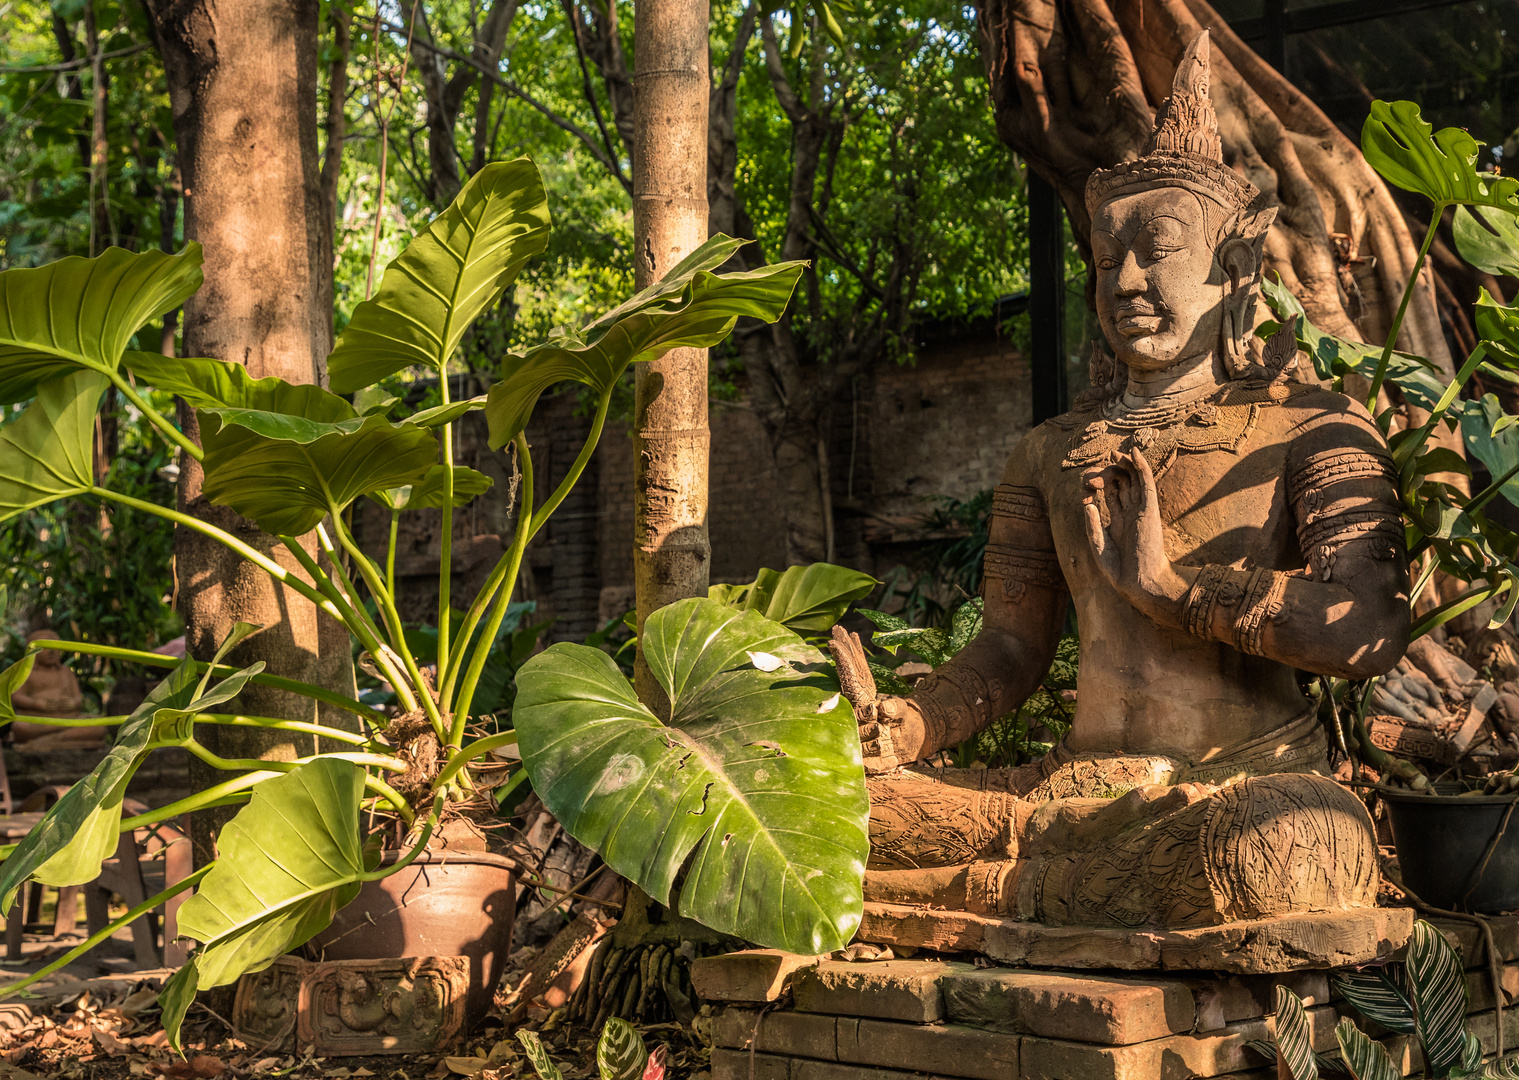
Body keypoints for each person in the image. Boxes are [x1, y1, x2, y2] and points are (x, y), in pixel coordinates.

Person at [831, 31, 1406, 929]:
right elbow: (1010, 651)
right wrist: (917, 724)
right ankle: (1035, 886)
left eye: (1155, 251)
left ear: (1236, 268)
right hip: (1070, 790)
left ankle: (996, 897)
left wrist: (1176, 592)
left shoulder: (1309, 427)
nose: (1127, 279)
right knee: (844, 810)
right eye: (1107, 260)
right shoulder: (1048, 453)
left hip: (1233, 786)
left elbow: (1366, 631)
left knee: (1295, 845)